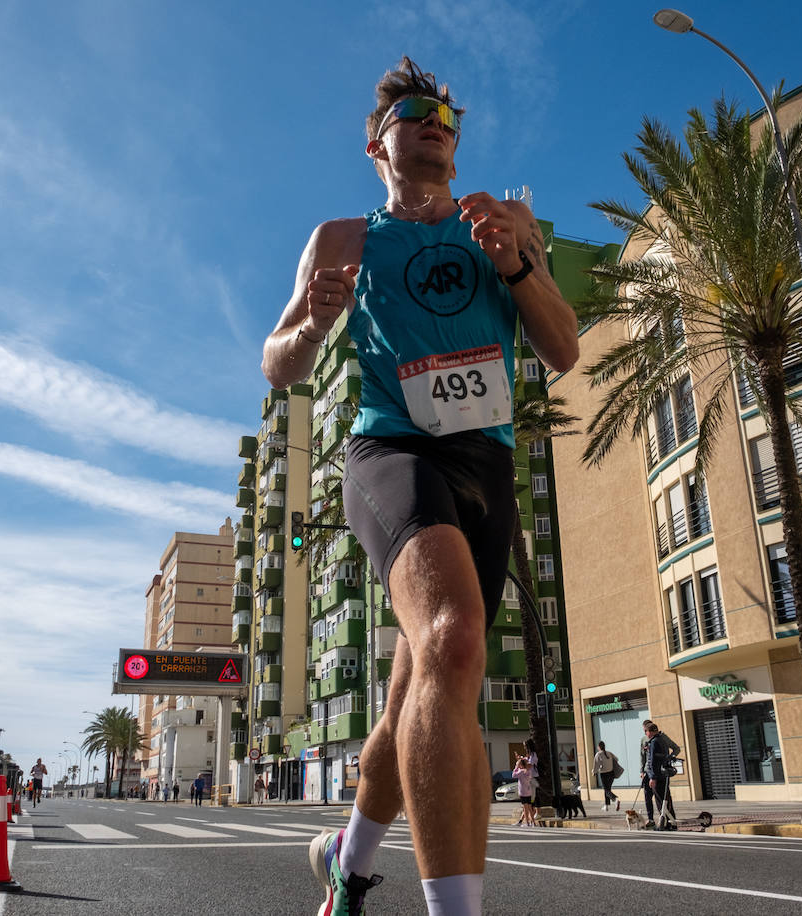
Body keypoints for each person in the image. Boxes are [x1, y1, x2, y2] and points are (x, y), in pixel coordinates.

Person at [263, 57, 580, 916]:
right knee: (453, 637)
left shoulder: (505, 220)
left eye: (445, 111)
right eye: (414, 111)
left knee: (418, 687)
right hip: (391, 452)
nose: (434, 120)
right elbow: (278, 362)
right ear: (380, 142)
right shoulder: (343, 239)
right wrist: (314, 323)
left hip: (485, 462)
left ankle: (347, 854)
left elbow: (562, 348)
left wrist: (518, 266)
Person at [638, 719, 679, 830]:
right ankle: (665, 821)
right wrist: (642, 771)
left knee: (661, 798)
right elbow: (643, 757)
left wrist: (653, 777)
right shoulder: (652, 740)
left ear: (649, 730)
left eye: (645, 730)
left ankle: (667, 822)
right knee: (656, 797)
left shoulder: (656, 740)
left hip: (656, 773)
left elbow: (653, 760)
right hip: (653, 772)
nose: (645, 733)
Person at [593, 740, 621, 812]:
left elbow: (596, 765)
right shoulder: (609, 753)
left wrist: (594, 772)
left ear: (599, 747)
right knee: (608, 789)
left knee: (606, 790)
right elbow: (617, 759)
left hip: (604, 774)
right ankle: (606, 806)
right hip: (611, 773)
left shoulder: (598, 754)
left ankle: (615, 800)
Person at [511, 754, 537, 828]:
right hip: (529, 791)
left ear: (521, 765)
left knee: (525, 808)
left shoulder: (521, 771)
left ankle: (528, 823)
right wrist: (521, 759)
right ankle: (533, 822)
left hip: (523, 791)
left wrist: (516, 767)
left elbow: (513, 775)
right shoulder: (528, 771)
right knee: (530, 807)